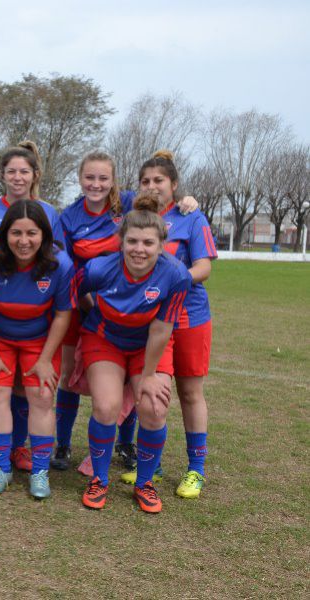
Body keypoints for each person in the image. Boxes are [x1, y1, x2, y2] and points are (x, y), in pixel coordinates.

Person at [55, 152, 198, 473]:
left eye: (103, 178)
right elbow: (65, 266)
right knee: (69, 376)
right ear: (80, 179)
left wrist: (186, 200)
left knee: (134, 382)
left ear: (114, 181)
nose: (96, 184)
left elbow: (159, 202)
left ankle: (125, 443)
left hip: (133, 303)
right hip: (85, 300)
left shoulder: (127, 203)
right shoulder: (69, 216)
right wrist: (91, 303)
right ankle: (62, 445)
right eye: (89, 178)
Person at [74, 193, 190, 513]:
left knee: (153, 406)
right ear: (121, 241)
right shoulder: (99, 268)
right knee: (107, 406)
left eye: (148, 243)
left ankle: (145, 482)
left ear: (162, 244)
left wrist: (149, 377)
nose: (139, 249)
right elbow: (75, 291)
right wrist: (93, 314)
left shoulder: (176, 275)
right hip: (106, 340)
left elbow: (162, 330)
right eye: (133, 241)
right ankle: (99, 479)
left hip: (148, 346)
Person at [0, 201, 73, 498]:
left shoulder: (60, 264)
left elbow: (64, 314)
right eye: (16, 233)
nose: (24, 241)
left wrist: (44, 360)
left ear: (45, 235)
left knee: (41, 395)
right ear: (5, 233)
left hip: (40, 339)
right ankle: (1, 468)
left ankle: (40, 471)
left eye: (32, 233)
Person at [0, 141, 62, 473]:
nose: (18, 177)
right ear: (2, 175)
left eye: (24, 171)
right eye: (12, 171)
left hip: (36, 320)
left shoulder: (49, 212)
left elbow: (53, 264)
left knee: (30, 388)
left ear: (34, 175)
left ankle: (21, 447)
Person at [137, 150, 217, 499]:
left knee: (188, 392)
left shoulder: (191, 216)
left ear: (174, 184)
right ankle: (149, 465)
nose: (152, 187)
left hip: (190, 317)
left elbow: (204, 267)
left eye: (159, 180)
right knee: (151, 390)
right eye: (145, 181)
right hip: (152, 319)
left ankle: (196, 470)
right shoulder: (138, 216)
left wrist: (173, 279)